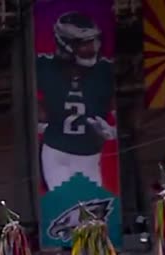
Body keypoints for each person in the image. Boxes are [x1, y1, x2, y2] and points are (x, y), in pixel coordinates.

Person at [35, 11, 115, 191]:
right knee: (65, 201)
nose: (92, 48)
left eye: (94, 41)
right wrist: (39, 121)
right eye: (85, 43)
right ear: (66, 44)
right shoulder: (45, 67)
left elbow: (121, 110)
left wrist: (112, 130)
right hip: (57, 151)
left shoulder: (105, 71)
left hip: (90, 154)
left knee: (93, 206)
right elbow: (24, 99)